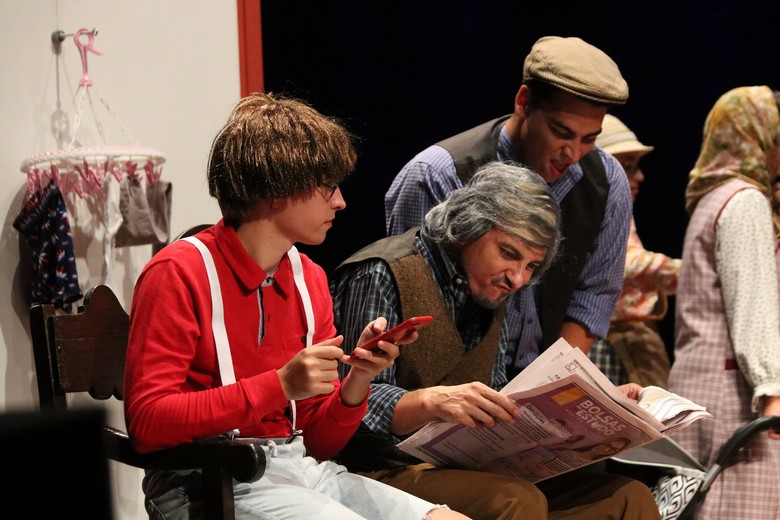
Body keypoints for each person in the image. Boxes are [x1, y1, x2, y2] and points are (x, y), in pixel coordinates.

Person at [123, 92, 470, 520]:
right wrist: (280, 385)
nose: (340, 202)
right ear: (276, 191)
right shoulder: (178, 271)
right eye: (327, 187)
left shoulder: (309, 278)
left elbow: (319, 444)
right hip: (207, 481)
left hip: (298, 470)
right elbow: (148, 424)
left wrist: (358, 379)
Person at [332, 161, 661, 519]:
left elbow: (499, 392)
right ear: (467, 229)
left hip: (462, 467)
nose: (518, 279)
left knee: (628, 497)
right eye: (509, 253)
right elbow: (347, 405)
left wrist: (594, 408)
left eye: (531, 266)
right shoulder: (382, 272)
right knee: (514, 499)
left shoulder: (490, 288)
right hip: (379, 469)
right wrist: (431, 401)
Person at [384, 36, 633, 379]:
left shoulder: (607, 180)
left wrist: (550, 382)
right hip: (450, 381)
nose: (573, 153)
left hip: (544, 374)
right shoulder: (437, 174)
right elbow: (412, 298)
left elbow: (595, 293)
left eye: (589, 138)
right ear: (524, 102)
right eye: (561, 132)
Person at [668, 85, 780, 519]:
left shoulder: (712, 197)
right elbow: (752, 303)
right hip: (734, 396)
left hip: (701, 386)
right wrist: (773, 391)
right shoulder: (745, 201)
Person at [589, 115, 681, 387]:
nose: (639, 176)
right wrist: (695, 272)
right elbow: (625, 263)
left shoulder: (618, 208)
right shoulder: (592, 210)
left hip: (629, 338)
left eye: (636, 166)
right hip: (610, 341)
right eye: (627, 167)